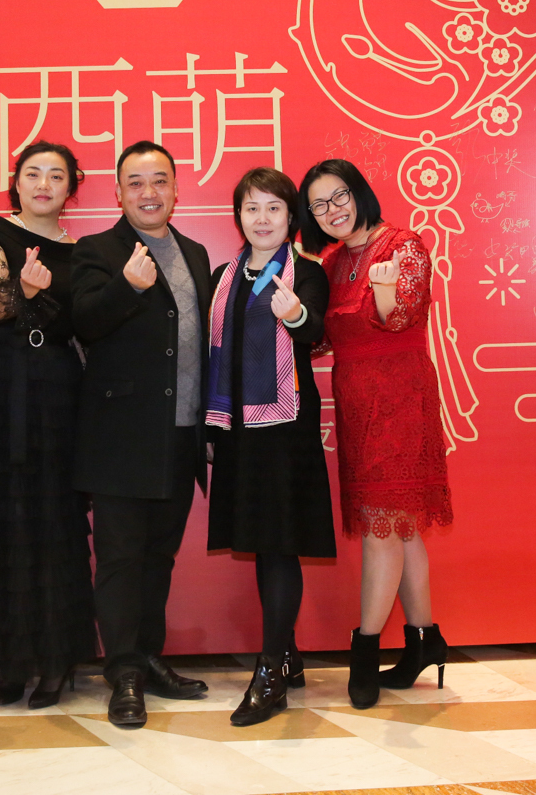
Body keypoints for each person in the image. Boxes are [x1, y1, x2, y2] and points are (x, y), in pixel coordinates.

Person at [0, 141, 97, 709]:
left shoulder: (82, 251)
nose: (44, 184)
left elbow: (87, 325)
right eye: (33, 173)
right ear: (17, 182)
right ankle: (7, 657)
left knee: (54, 521)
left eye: (56, 175)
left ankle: (55, 659)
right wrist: (25, 289)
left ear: (71, 187)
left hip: (57, 391)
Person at [299, 158, 451, 710]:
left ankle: (363, 650)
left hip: (401, 397)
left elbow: (401, 316)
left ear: (360, 192)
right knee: (400, 526)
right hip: (357, 403)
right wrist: (288, 314)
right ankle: (425, 639)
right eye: (319, 204)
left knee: (382, 528)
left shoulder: (404, 245)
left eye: (339, 196)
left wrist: (385, 293)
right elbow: (320, 340)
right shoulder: (331, 261)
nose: (332, 210)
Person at [71, 141, 212, 728]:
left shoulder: (196, 253)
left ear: (176, 190)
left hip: (181, 434)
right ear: (118, 193)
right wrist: (126, 287)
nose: (148, 193)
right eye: (136, 182)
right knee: (121, 559)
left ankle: (149, 658)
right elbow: (83, 322)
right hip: (121, 437)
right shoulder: (96, 250)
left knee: (159, 557)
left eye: (159, 181)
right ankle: (123, 672)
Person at [206, 167, 334, 727]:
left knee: (280, 544)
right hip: (237, 428)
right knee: (261, 543)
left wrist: (295, 313)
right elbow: (217, 355)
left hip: (285, 430)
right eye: (252, 208)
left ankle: (270, 674)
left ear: (291, 217)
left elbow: (314, 331)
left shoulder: (307, 273)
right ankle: (287, 653)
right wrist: (213, 429)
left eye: (274, 208)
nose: (262, 219)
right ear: (239, 216)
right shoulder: (223, 276)